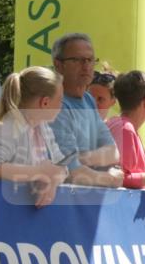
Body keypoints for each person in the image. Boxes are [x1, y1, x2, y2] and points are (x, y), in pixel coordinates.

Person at [0, 66, 70, 207]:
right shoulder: (5, 125)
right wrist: (38, 173)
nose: (62, 105)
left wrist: (52, 181)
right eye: (60, 100)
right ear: (45, 103)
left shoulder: (42, 127)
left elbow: (61, 167)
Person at [48, 33, 123, 188]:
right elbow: (70, 172)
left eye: (90, 60)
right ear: (58, 64)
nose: (86, 65)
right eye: (77, 60)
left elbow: (113, 152)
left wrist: (83, 158)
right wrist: (109, 179)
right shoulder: (53, 104)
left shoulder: (88, 100)